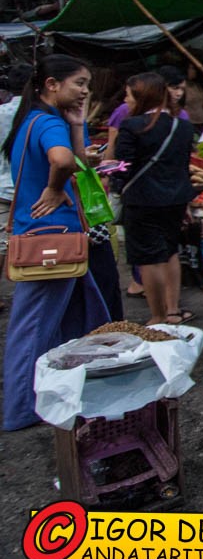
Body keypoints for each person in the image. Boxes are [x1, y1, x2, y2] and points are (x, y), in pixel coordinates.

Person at [2, 56, 116, 431]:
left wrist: (79, 124)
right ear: (51, 84)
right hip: (53, 242)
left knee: (83, 321)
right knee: (33, 328)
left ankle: (65, 393)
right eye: (79, 83)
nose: (85, 91)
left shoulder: (34, 121)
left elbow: (78, 158)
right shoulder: (47, 122)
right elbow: (64, 160)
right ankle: (21, 409)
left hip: (56, 240)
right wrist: (54, 189)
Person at [110, 72, 196, 327]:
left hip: (143, 199)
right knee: (169, 251)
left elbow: (123, 167)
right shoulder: (183, 126)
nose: (126, 100)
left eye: (128, 95)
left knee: (149, 257)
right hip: (177, 198)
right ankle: (172, 310)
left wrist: (113, 181)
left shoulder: (133, 125)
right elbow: (184, 165)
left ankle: (157, 317)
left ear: (141, 96)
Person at [0, 65, 34, 270]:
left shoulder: (2, 112)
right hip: (36, 189)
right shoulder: (41, 113)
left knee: (1, 243)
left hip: (2, 186)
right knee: (35, 241)